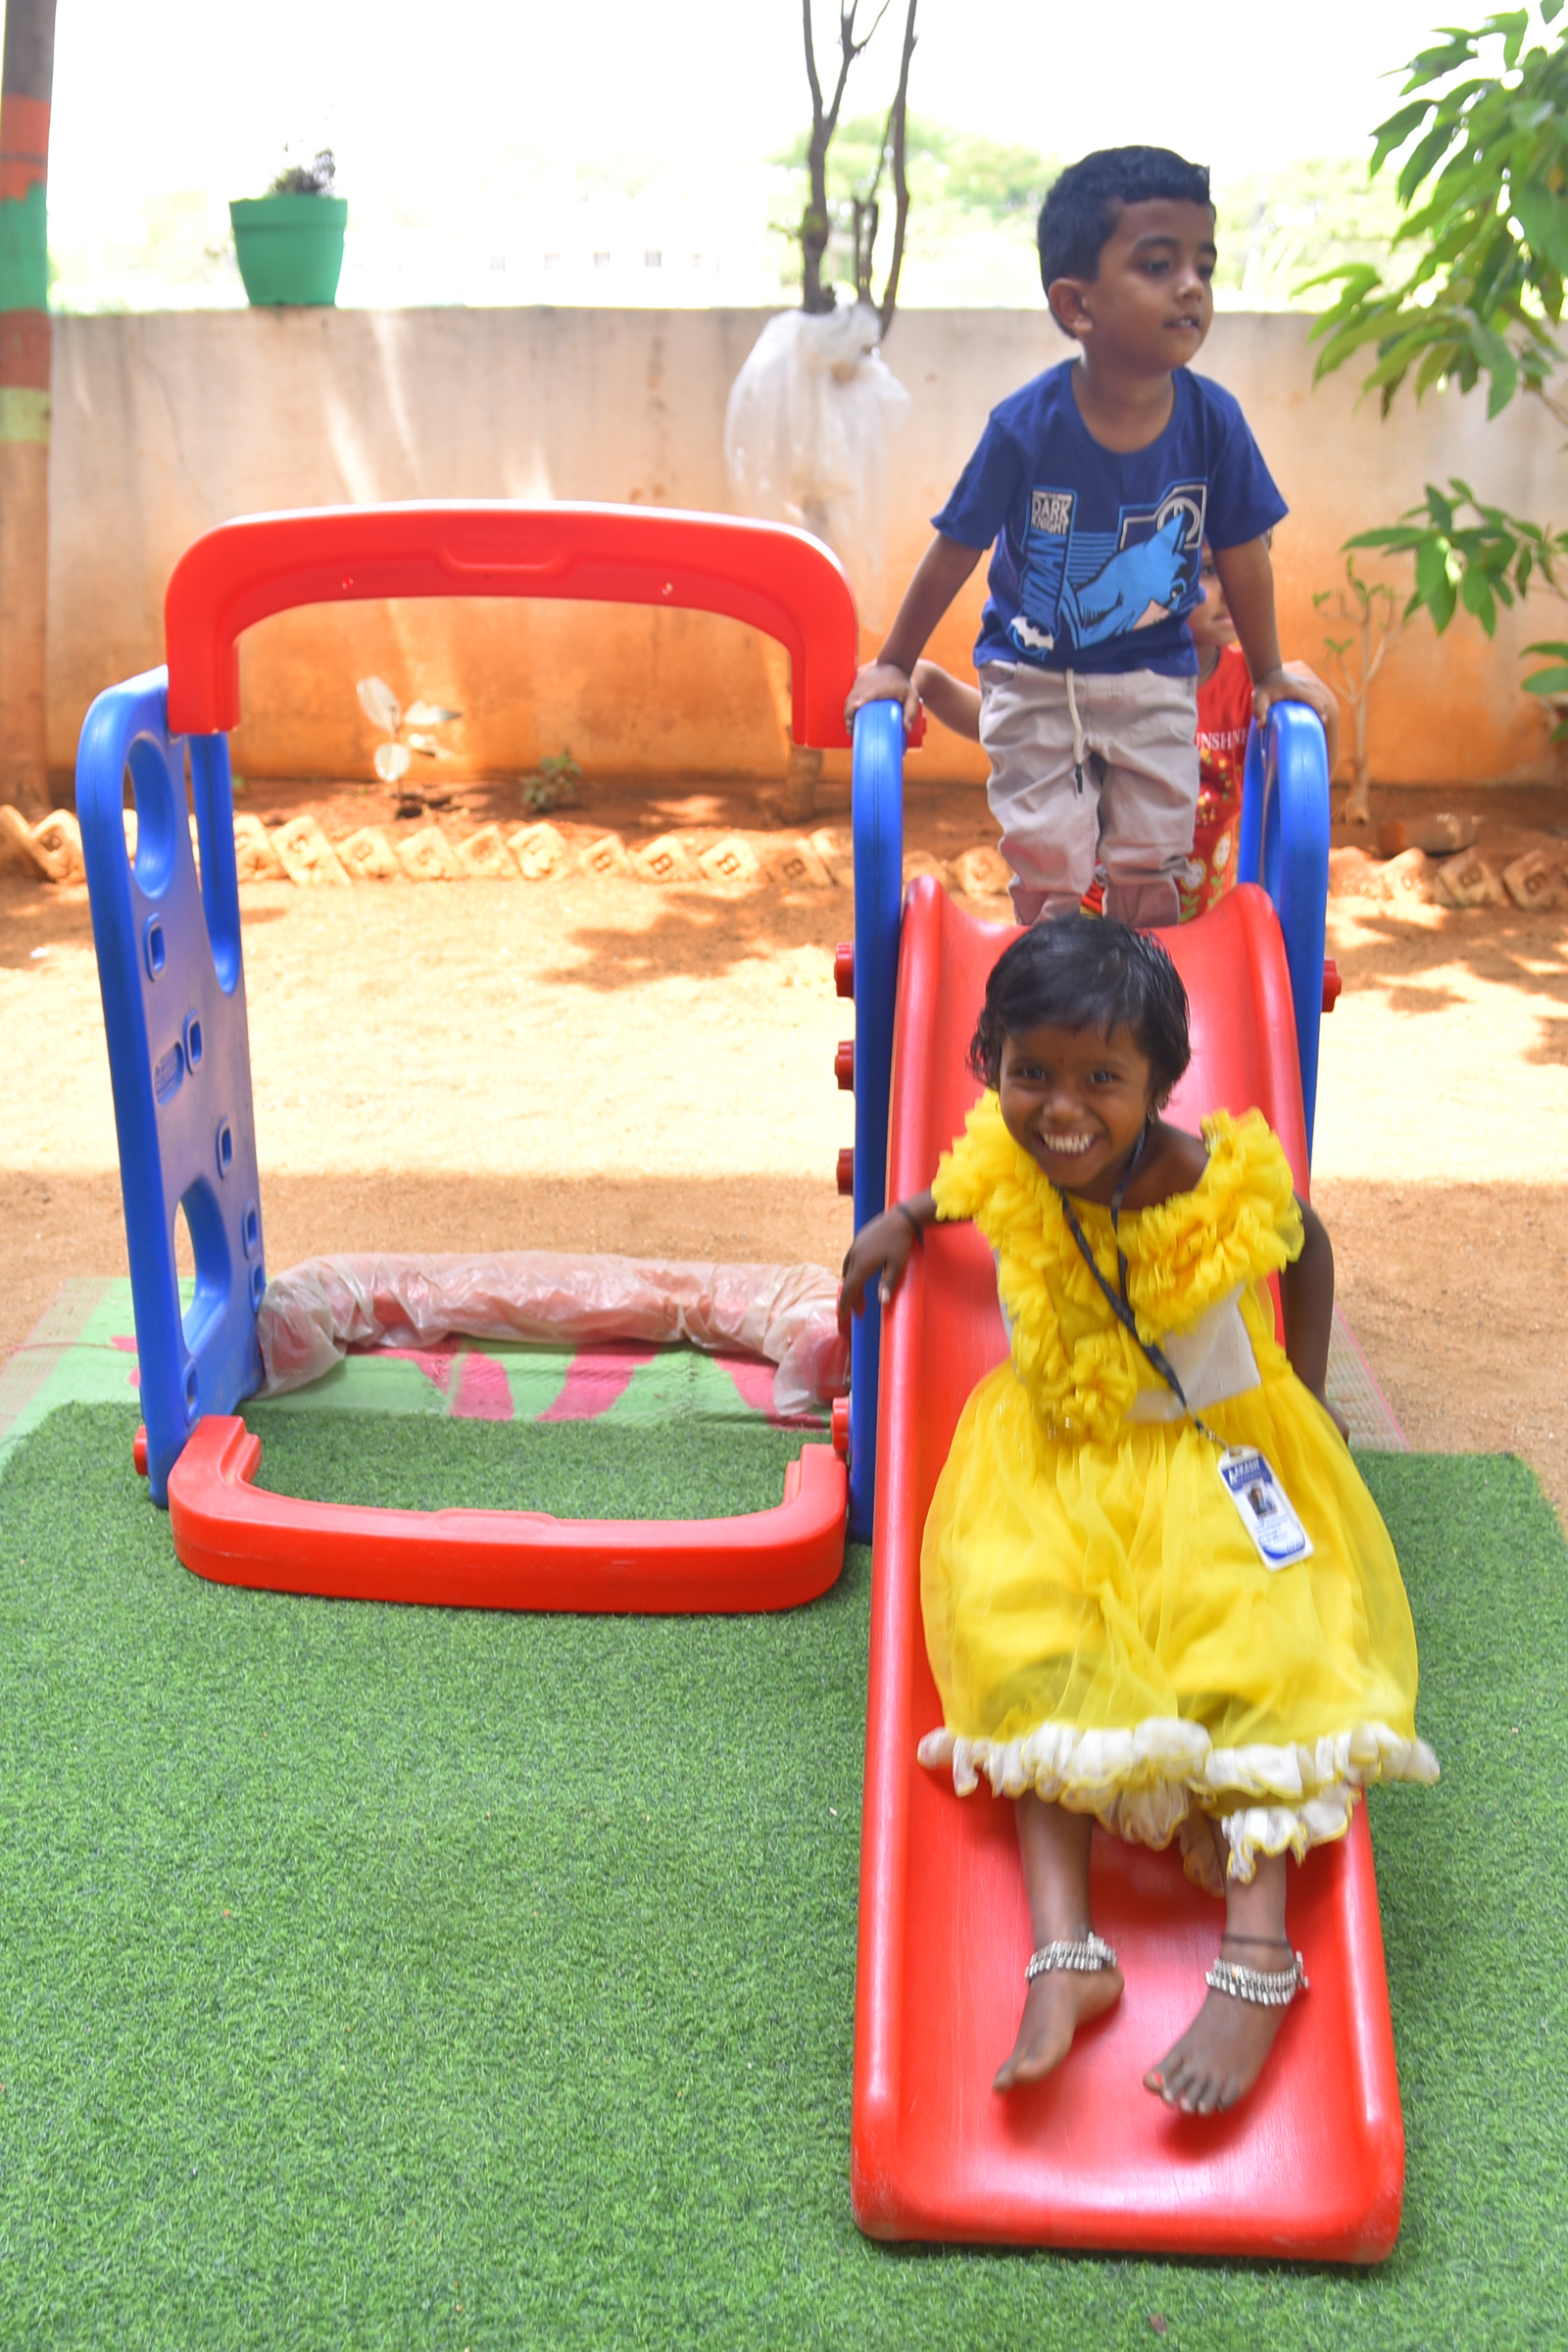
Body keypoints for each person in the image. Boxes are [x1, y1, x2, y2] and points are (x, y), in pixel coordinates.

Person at [838, 918, 1437, 2115]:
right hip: (1054, 1463)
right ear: (992, 1065)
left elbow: (1305, 1248)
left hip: (1203, 1455)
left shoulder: (1197, 1179)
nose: (1061, 1108)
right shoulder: (1012, 1159)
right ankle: (1068, 1952)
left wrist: (1302, 1397)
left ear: (1160, 1087)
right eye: (1030, 1073)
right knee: (1029, 1642)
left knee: (1260, 1649)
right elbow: (965, 1182)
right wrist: (902, 1218)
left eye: (1101, 1080)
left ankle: (1258, 1952)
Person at [845, 145, 1336, 929]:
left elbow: (1244, 552)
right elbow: (957, 546)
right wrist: (895, 664)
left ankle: (1144, 983)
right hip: (1033, 673)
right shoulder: (1026, 428)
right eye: (1157, 264)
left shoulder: (1215, 424)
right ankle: (1055, 964)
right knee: (1048, 851)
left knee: (1154, 847)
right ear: (1076, 305)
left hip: (1152, 675)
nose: (1191, 287)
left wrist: (1271, 671)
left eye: (1203, 267)